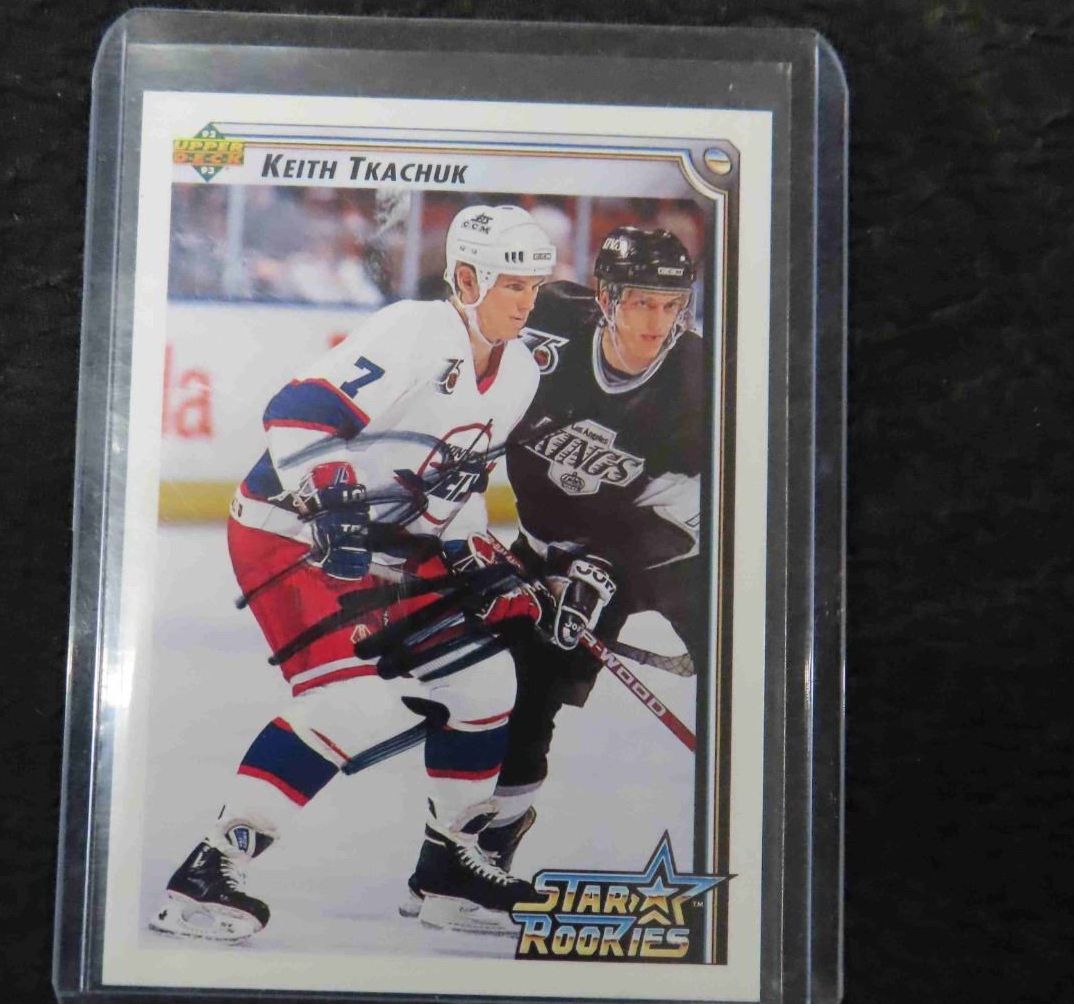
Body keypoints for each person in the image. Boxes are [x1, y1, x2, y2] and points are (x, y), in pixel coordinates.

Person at [152, 203, 572, 944]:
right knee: (348, 706)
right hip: (287, 531)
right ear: (466, 279)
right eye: (513, 285)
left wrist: (473, 556)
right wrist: (332, 498)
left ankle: (446, 875)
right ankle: (208, 872)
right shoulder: (416, 330)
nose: (526, 302)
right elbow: (296, 413)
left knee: (483, 684)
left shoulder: (518, 374)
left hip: (385, 543)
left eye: (534, 287)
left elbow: (458, 482)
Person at [399, 224, 705, 907]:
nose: (656, 322)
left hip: (668, 554)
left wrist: (606, 568)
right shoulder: (546, 322)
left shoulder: (697, 380)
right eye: (640, 302)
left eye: (671, 304)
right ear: (605, 296)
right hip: (547, 549)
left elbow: (694, 508)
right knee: (527, 687)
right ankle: (469, 856)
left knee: (745, 671)